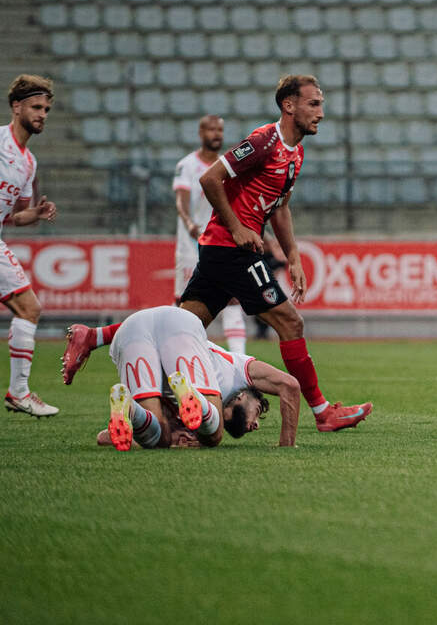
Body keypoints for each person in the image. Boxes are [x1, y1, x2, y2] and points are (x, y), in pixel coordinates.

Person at [63, 75, 371, 432]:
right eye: (313, 104)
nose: (321, 112)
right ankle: (322, 412)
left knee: (181, 327)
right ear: (289, 106)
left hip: (220, 251)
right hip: (232, 249)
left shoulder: (295, 153)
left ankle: (96, 339)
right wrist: (239, 227)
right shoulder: (263, 141)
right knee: (290, 322)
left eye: (321, 104)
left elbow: (281, 209)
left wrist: (294, 257)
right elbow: (210, 179)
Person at [101, 305, 300, 450]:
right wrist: (287, 445)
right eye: (257, 411)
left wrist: (172, 441)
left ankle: (129, 408)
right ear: (243, 396)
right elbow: (289, 384)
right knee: (213, 437)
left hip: (130, 329)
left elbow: (104, 438)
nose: (256, 425)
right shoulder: (239, 370)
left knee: (160, 438)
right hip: (179, 325)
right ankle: (195, 396)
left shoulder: (185, 421)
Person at [1, 75, 59, 417]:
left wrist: (35, 213)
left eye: (47, 109)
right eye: (36, 107)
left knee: (29, 308)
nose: (43, 114)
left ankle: (19, 392)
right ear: (16, 106)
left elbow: (14, 216)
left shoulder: (29, 162)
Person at [173, 114, 246, 354]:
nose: (216, 134)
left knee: (233, 297)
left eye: (220, 130)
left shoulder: (226, 168)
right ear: (201, 133)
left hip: (219, 243)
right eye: (211, 130)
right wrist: (189, 222)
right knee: (185, 304)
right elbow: (181, 203)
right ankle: (178, 353)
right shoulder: (187, 165)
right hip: (190, 246)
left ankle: (239, 358)